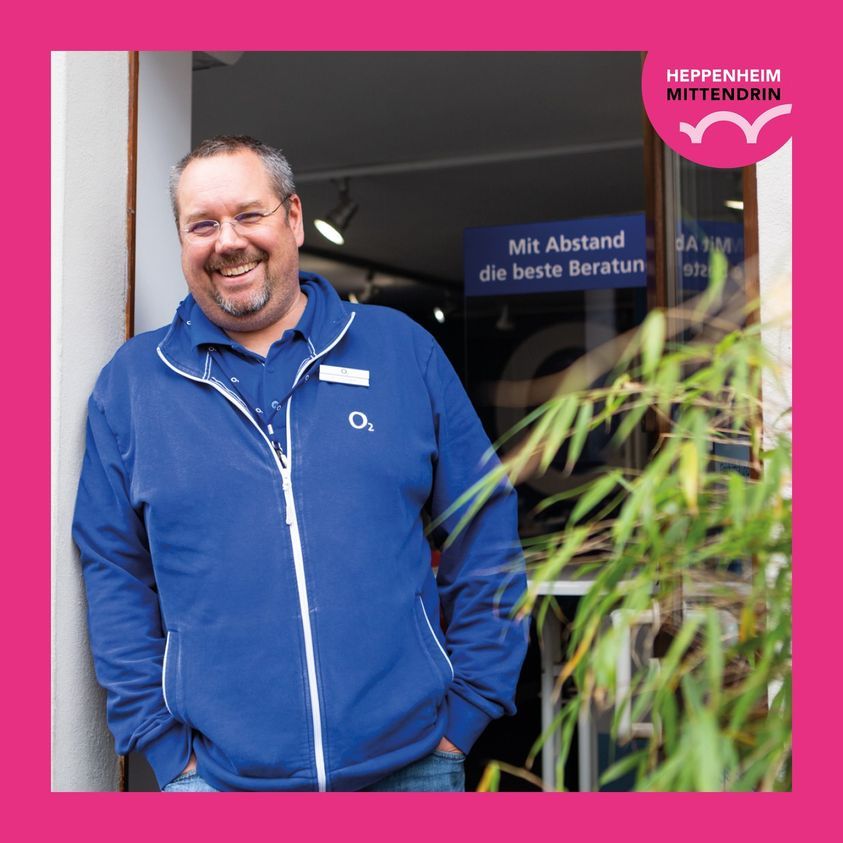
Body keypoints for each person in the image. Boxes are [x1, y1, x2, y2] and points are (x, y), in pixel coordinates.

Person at [73, 135, 529, 792]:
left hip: (414, 765)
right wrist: (162, 745)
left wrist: (472, 704)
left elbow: (484, 521)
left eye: (248, 214)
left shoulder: (400, 350)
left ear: (292, 216)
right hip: (218, 782)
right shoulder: (134, 384)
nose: (228, 241)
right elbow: (113, 566)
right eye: (202, 225)